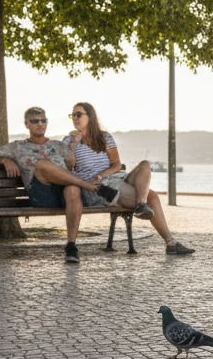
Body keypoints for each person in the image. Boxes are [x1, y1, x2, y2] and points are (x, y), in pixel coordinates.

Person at [0, 106, 122, 264]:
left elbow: (71, 164)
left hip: (63, 191)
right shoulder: (17, 146)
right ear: (26, 124)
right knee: (43, 164)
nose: (40, 124)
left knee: (72, 188)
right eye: (35, 121)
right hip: (41, 194)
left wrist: (73, 145)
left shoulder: (58, 145)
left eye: (44, 120)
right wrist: (5, 160)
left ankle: (71, 246)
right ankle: (94, 188)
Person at [62, 102, 194, 255]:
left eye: (79, 114)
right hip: (99, 188)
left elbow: (116, 165)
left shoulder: (104, 137)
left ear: (90, 117)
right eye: (72, 115)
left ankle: (142, 205)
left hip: (114, 177)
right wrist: (73, 144)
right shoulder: (68, 140)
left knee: (145, 165)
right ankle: (170, 242)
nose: (75, 118)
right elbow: (69, 166)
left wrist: (101, 174)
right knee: (152, 196)